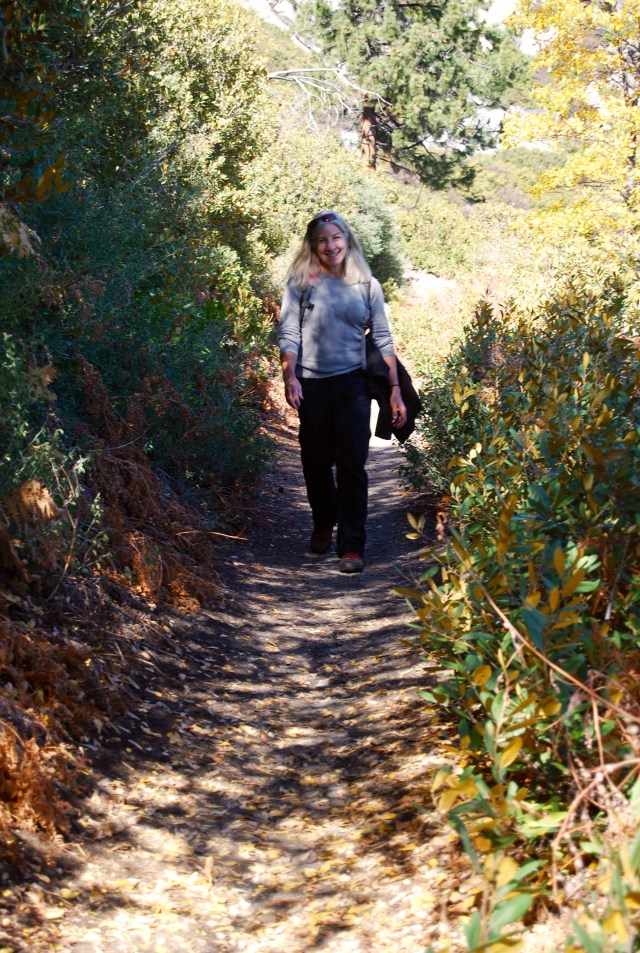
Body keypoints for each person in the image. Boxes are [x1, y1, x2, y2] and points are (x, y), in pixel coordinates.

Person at [278, 210, 407, 574]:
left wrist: (394, 389)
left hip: (353, 382)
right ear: (313, 245)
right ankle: (323, 521)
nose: (330, 245)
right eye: (322, 239)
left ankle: (351, 546)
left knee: (352, 463)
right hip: (312, 383)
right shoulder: (301, 282)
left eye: (337, 237)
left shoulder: (366, 283)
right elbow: (288, 332)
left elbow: (382, 338)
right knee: (315, 461)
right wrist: (290, 376)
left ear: (347, 240)